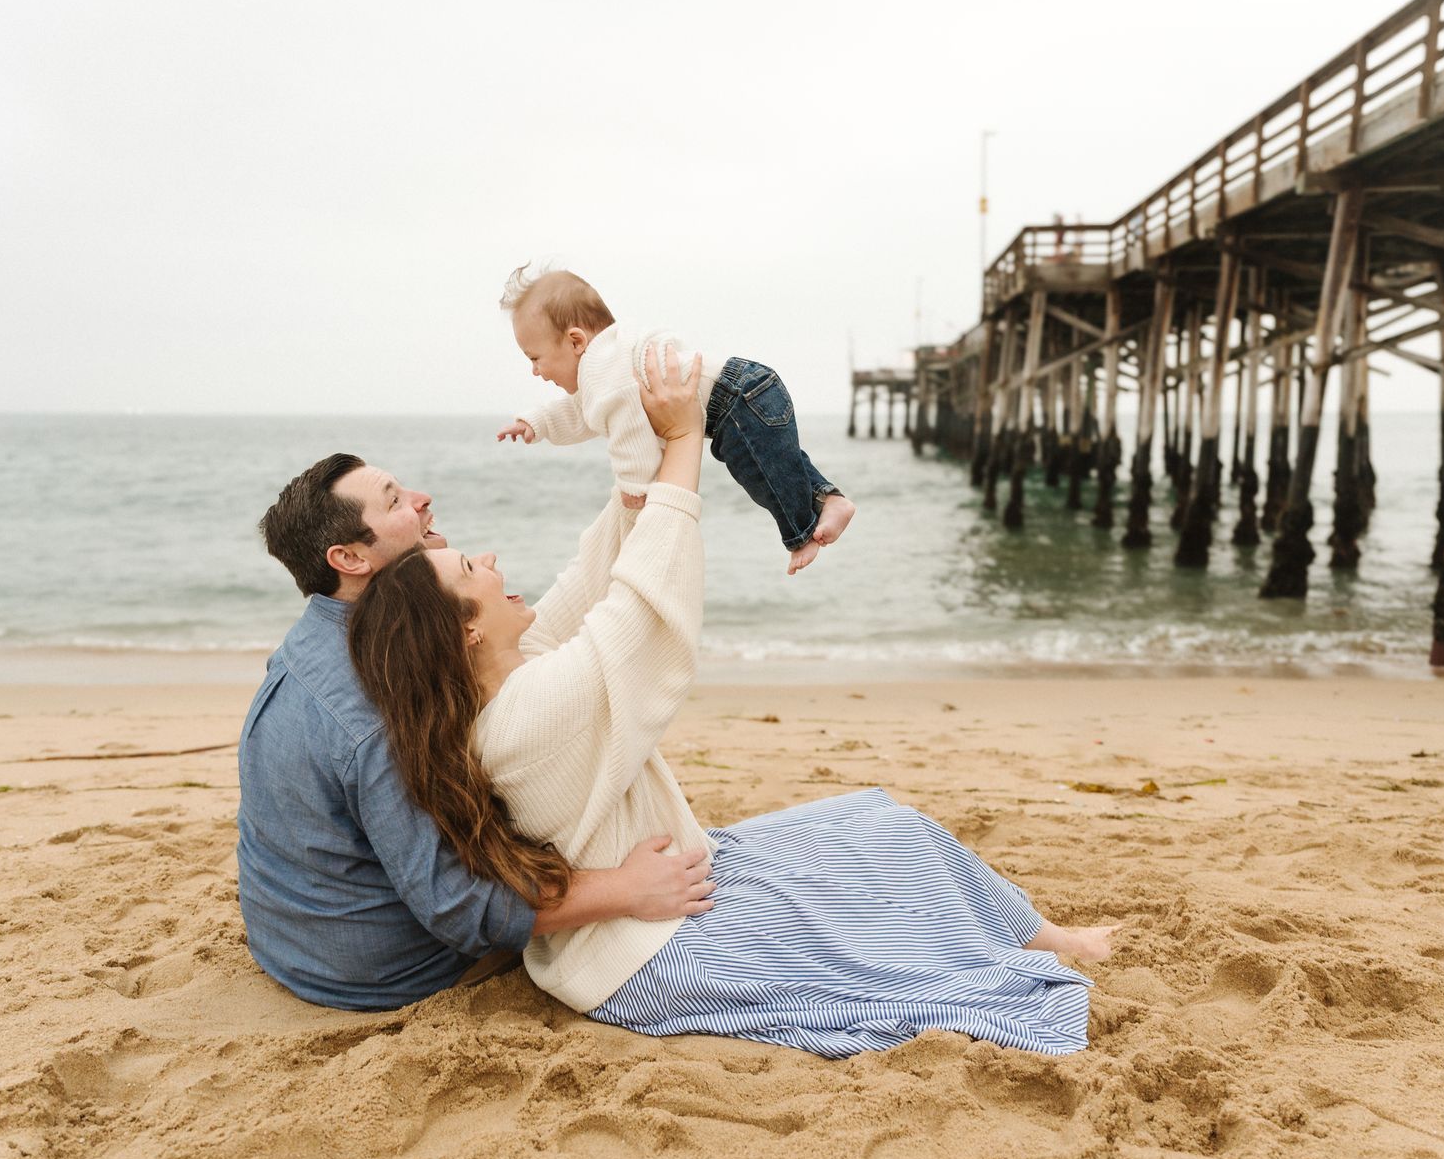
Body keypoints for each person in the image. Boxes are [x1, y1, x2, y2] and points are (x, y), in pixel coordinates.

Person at [348, 345, 1117, 1057]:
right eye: (468, 569)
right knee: (870, 946)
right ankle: (1022, 961)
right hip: (647, 950)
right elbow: (639, 604)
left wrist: (638, 462)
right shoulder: (526, 713)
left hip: (678, 874)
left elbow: (598, 568)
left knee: (887, 825)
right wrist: (684, 441)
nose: (487, 558)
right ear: (468, 630)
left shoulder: (511, 674)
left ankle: (1044, 934)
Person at [235, 453, 715, 1011]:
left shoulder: (319, 639)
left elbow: (560, 610)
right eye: (394, 500)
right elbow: (456, 906)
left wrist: (633, 491)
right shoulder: (381, 703)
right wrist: (625, 889)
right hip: (379, 969)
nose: (422, 499)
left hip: (290, 938)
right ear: (349, 558)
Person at [493, 264, 854, 575]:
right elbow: (582, 412)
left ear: (575, 342)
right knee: (780, 463)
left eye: (535, 358)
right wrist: (537, 422)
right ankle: (831, 501)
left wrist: (635, 488)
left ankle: (801, 534)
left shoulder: (603, 370)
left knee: (761, 470)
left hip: (737, 399)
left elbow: (628, 435)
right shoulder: (607, 367)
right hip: (747, 389)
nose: (535, 371)